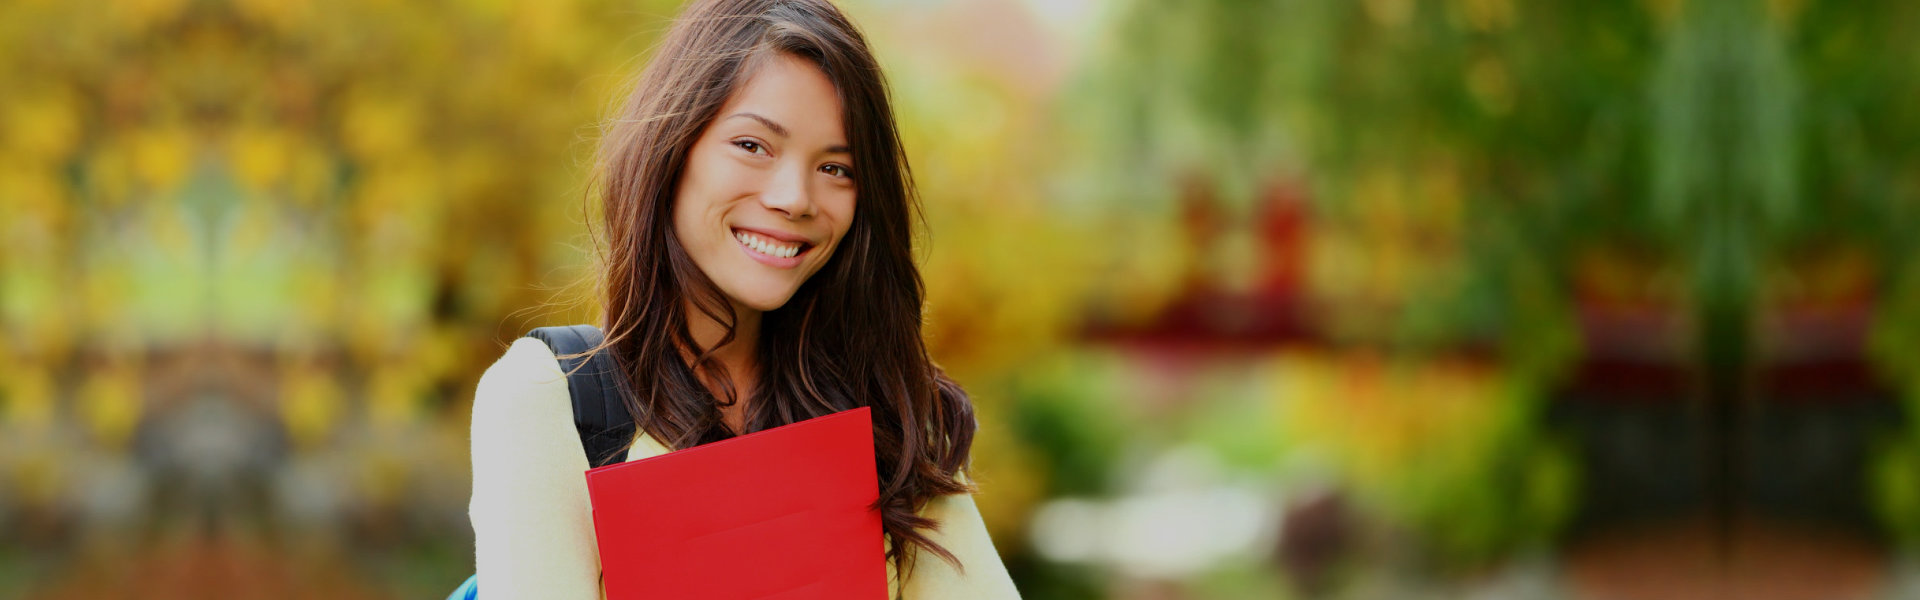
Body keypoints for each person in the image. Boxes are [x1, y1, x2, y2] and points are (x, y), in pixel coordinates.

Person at [466, 0, 1022, 597]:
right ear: (671, 150)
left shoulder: (890, 411)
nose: (795, 198)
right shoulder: (553, 398)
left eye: (836, 168)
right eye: (753, 145)